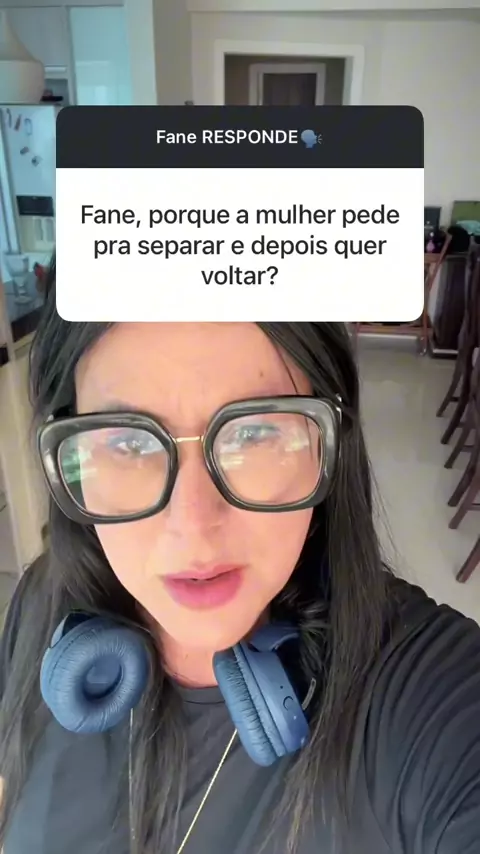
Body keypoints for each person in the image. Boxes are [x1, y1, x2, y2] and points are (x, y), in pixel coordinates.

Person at [0, 258, 479, 854]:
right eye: (127, 441)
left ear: (329, 439)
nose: (193, 527)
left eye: (254, 433)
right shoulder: (42, 603)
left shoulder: (432, 701)